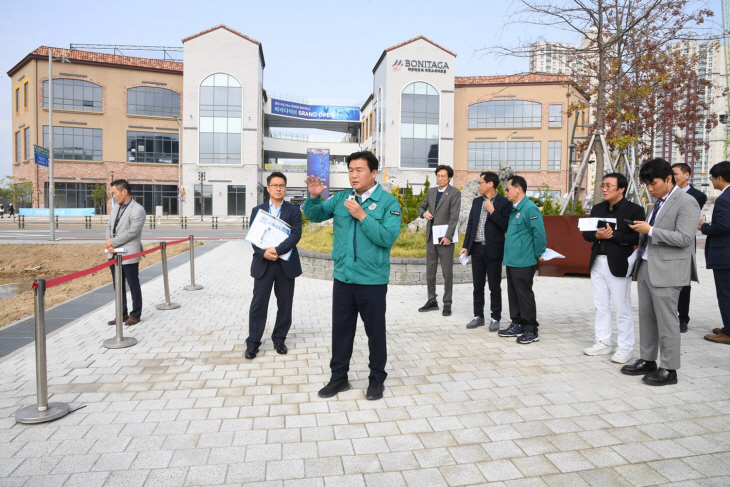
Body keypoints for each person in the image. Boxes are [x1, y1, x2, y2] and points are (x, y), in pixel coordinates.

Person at [303, 151, 401, 400]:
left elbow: (387, 238)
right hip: (344, 279)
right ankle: (339, 378)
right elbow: (314, 214)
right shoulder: (341, 198)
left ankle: (376, 379)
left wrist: (362, 215)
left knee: (375, 333)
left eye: (359, 170)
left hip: (372, 281)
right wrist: (314, 197)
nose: (353, 175)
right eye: (350, 170)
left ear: (373, 172)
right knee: (341, 331)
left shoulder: (388, 202)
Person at [622, 158, 700, 385]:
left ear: (669, 178)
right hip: (646, 266)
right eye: (646, 184)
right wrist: (642, 231)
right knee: (646, 317)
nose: (650, 188)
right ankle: (648, 359)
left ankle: (669, 368)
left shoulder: (687, 202)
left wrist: (651, 230)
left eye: (653, 183)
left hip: (669, 270)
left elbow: (685, 239)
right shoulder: (657, 202)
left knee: (667, 321)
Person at [582, 173, 645, 364]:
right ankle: (603, 341)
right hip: (597, 262)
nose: (605, 189)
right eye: (603, 185)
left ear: (621, 189)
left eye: (609, 185)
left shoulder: (634, 210)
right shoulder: (598, 208)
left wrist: (614, 236)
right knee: (601, 306)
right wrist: (597, 235)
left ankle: (625, 347)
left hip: (619, 263)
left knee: (622, 307)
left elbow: (638, 238)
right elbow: (587, 234)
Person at [245, 172, 302, 359]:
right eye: (275, 185)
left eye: (282, 185)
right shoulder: (258, 210)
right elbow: (254, 237)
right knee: (258, 304)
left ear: (285, 188)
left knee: (284, 305)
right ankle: (253, 343)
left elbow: (295, 235)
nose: (278, 188)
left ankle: (279, 339)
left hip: (285, 264)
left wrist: (276, 250)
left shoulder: (293, 210)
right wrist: (263, 253)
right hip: (264, 263)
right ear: (268, 188)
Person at [498, 175, 546, 344]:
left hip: (524, 261)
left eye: (508, 188)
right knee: (514, 294)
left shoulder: (529, 208)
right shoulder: (514, 209)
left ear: (518, 189)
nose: (506, 192)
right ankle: (517, 323)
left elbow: (539, 234)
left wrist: (536, 254)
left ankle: (531, 329)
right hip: (512, 260)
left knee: (524, 295)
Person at [461, 171, 511, 331]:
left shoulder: (504, 203)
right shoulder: (476, 202)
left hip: (494, 250)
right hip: (476, 249)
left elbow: (505, 226)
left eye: (481, 182)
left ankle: (495, 317)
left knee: (494, 286)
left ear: (490, 184)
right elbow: (470, 225)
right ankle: (478, 316)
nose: (478, 185)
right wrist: (466, 245)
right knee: (477, 285)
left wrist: (492, 211)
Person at [417, 165, 461, 316]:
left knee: (447, 272)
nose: (440, 178)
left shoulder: (454, 193)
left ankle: (447, 303)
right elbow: (421, 207)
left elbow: (454, 216)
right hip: (431, 236)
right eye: (438, 176)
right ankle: (432, 301)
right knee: (430, 271)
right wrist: (424, 214)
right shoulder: (431, 191)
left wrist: (449, 236)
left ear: (449, 177)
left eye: (443, 176)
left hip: (445, 238)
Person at [672, 163, 707, 333]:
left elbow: (686, 216)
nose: (673, 177)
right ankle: (669, 315)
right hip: (666, 240)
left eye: (676, 173)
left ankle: (683, 318)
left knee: (684, 281)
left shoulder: (698, 196)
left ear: (686, 175)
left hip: (685, 242)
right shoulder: (667, 193)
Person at [105, 179, 146, 326]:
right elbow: (109, 225)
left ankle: (135, 314)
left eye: (115, 193)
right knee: (118, 285)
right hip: (113, 254)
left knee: (133, 284)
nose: (113, 196)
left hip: (129, 253)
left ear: (124, 191)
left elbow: (132, 232)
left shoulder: (138, 209)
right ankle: (122, 313)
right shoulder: (115, 207)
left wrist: (112, 243)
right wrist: (109, 242)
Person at [700, 161, 730, 344]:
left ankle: (728, 332)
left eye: (712, 178)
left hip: (725, 255)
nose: (711, 181)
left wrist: (704, 227)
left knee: (725, 294)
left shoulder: (725, 199)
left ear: (720, 177)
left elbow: (723, 226)